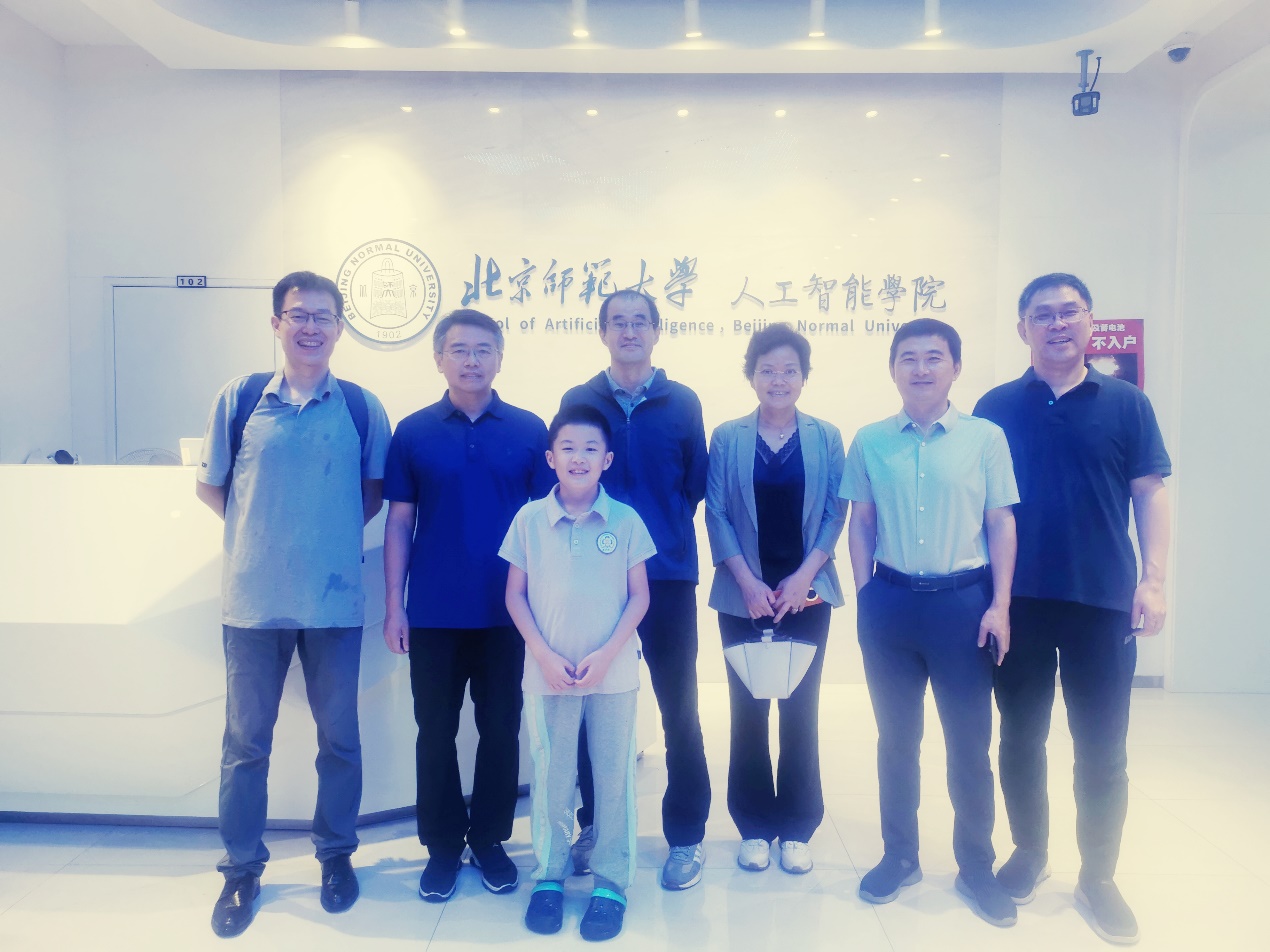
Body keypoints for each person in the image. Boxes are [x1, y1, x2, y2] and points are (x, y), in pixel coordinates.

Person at [974, 274, 1172, 945]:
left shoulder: (1127, 403)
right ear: (1022, 329)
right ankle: (1030, 852)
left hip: (1102, 603)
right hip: (1019, 602)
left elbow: (1150, 493)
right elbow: (982, 506)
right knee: (1019, 737)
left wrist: (1153, 581)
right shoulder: (996, 406)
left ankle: (1099, 876)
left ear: (1090, 322)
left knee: (1102, 748)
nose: (1056, 324)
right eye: (1042, 315)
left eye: (1068, 312)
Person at [195, 270, 391, 938]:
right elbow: (213, 488)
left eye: (323, 316)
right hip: (252, 604)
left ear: (340, 328)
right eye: (298, 315)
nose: (311, 327)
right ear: (276, 323)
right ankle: (241, 870)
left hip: (334, 604)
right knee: (245, 744)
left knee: (340, 739)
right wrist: (262, 536)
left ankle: (336, 856)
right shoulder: (241, 398)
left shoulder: (361, 406)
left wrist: (320, 540)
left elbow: (372, 495)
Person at [841, 318, 1019, 927]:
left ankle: (976, 866)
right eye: (909, 358)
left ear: (956, 368)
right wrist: (866, 593)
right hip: (890, 603)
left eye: (934, 357)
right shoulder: (870, 440)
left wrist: (1000, 604)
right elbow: (861, 520)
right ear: (893, 368)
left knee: (969, 744)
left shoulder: (985, 438)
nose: (921, 368)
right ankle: (900, 856)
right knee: (896, 740)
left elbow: (1000, 521)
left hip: (962, 607)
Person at [382, 309, 553, 903]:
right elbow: (399, 522)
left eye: (483, 349)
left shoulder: (530, 431)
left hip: (510, 613)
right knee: (435, 731)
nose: (472, 360)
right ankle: (442, 846)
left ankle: (489, 839)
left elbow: (546, 526)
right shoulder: (413, 432)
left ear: (500, 358)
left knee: (501, 729)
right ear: (439, 359)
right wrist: (394, 604)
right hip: (433, 611)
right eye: (459, 350)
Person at [559, 289, 712, 890]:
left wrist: (654, 537)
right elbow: (569, 477)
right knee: (593, 707)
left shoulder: (683, 402)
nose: (629, 331)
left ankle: (686, 836)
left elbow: (693, 485)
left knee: (680, 708)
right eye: (618, 322)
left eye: (639, 321)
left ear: (656, 331)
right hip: (594, 578)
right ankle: (594, 825)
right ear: (602, 332)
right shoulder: (579, 400)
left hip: (666, 574)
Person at [500, 404, 656, 941]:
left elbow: (640, 597)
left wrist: (608, 653)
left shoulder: (626, 521)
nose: (579, 457)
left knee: (613, 779)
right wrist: (543, 655)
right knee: (552, 778)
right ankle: (549, 874)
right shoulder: (528, 520)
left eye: (591, 448)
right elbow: (514, 596)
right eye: (568, 447)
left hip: (613, 675)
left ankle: (610, 882)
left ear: (607, 459)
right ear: (551, 458)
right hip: (547, 676)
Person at [704, 324, 846, 875]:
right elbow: (716, 511)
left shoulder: (826, 436)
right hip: (743, 597)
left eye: (790, 370)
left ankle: (798, 825)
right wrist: (746, 582)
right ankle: (754, 825)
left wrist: (803, 576)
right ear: (752, 375)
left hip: (807, 596)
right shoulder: (729, 436)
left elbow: (835, 511)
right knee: (747, 711)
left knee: (800, 711)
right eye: (767, 369)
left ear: (804, 377)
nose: (778, 379)